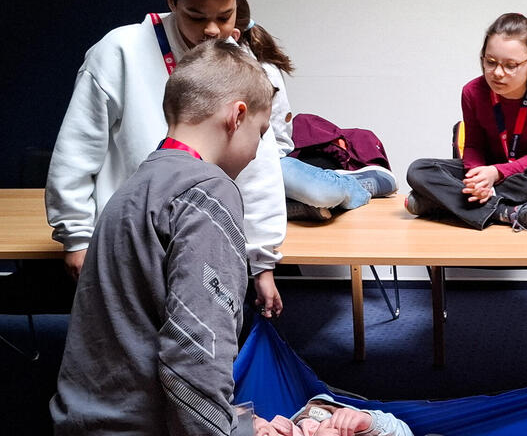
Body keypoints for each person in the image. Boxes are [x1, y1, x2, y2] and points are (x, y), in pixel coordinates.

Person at [51, 39, 279, 435]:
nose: (257, 151)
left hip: (87, 417)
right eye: (261, 132)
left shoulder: (134, 187)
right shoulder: (208, 192)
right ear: (237, 116)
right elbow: (196, 350)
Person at [44, 0, 285, 318]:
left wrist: (262, 262)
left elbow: (258, 169)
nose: (212, 30)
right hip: (131, 242)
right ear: (171, 0)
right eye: (196, 17)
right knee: (128, 341)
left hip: (208, 243)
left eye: (225, 16)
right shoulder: (119, 51)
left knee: (203, 341)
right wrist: (77, 237)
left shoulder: (238, 66)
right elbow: (76, 152)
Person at [231, 0, 397, 222]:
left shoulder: (264, 71)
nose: (209, 30)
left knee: (321, 193)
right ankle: (294, 205)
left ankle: (350, 184)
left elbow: (280, 143)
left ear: (235, 32)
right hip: (218, 169)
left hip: (263, 163)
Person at [405, 13, 527, 232]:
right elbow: (474, 146)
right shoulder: (472, 92)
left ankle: (440, 204)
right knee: (419, 170)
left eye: (511, 65)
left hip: (526, 175)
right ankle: (507, 212)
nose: (497, 73)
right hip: (485, 171)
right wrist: (477, 178)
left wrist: (496, 173)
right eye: (490, 62)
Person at [256, 393, 413, 436]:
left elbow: (404, 432)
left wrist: (368, 422)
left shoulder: (313, 414)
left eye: (251, 418)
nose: (256, 430)